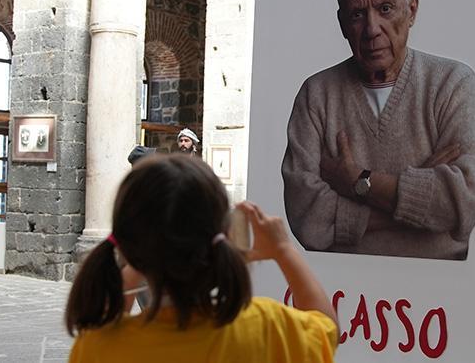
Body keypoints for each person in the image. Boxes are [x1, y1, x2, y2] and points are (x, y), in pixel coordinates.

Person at [282, 0, 475, 261]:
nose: (372, 29)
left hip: (439, 285)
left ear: (411, 11)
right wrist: (414, 196)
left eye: (385, 9)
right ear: (342, 24)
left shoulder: (452, 83)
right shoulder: (316, 94)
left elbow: (463, 202)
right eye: (358, 14)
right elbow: (307, 217)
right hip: (343, 281)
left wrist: (358, 181)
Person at [66, 154, 339, 362]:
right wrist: (283, 250)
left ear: (128, 248)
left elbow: (109, 324)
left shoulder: (97, 348)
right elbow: (327, 328)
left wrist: (138, 260)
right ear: (225, 231)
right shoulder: (268, 328)